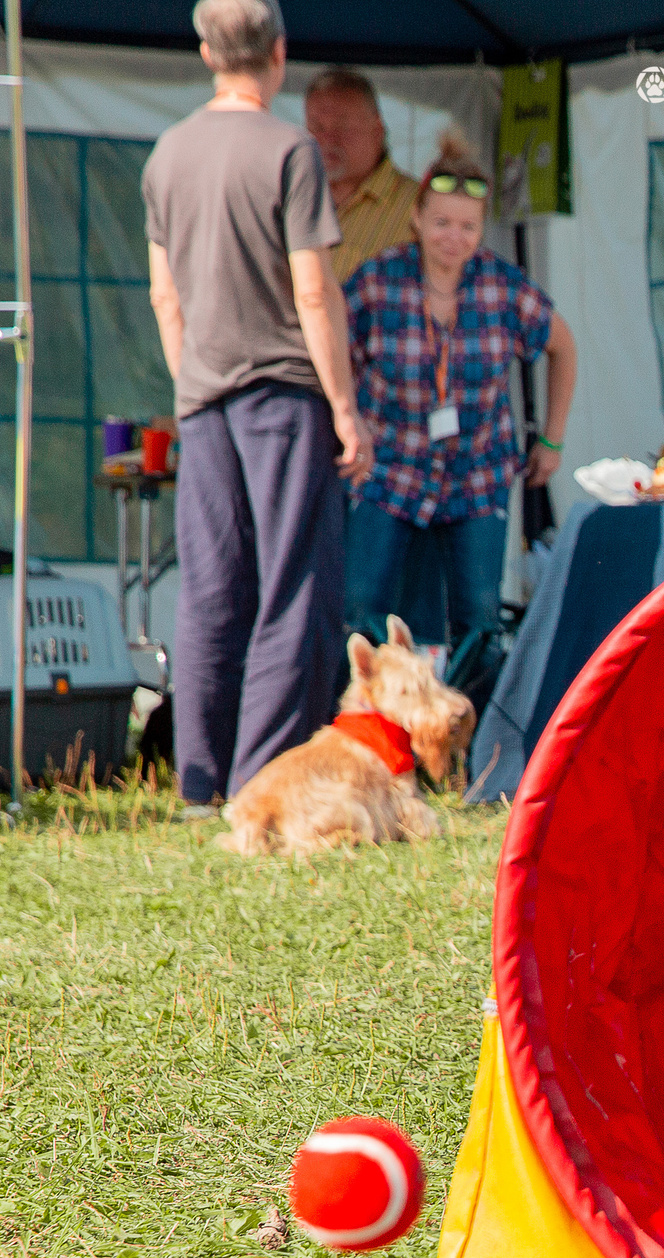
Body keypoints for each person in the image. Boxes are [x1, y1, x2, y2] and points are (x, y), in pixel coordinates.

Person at [144, 0, 372, 813]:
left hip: (204, 398)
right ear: (279, 52)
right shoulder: (289, 150)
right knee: (293, 589)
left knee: (210, 589)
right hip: (283, 395)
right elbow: (312, 290)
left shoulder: (167, 154)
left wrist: (193, 386)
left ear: (207, 52)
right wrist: (343, 406)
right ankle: (266, 781)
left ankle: (200, 783)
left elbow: (164, 296)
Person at [344, 136, 577, 715]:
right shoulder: (377, 282)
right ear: (417, 218)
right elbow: (332, 356)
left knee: (478, 619)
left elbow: (564, 347)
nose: (455, 237)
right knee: (361, 607)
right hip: (389, 472)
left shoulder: (502, 286)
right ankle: (375, 728)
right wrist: (348, 425)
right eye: (443, 222)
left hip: (477, 475)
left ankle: (470, 738)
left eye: (468, 226)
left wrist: (551, 438)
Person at [303, 66, 419, 281]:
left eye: (342, 127)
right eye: (317, 127)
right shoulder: (291, 197)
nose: (328, 139)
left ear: (378, 130)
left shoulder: (420, 206)